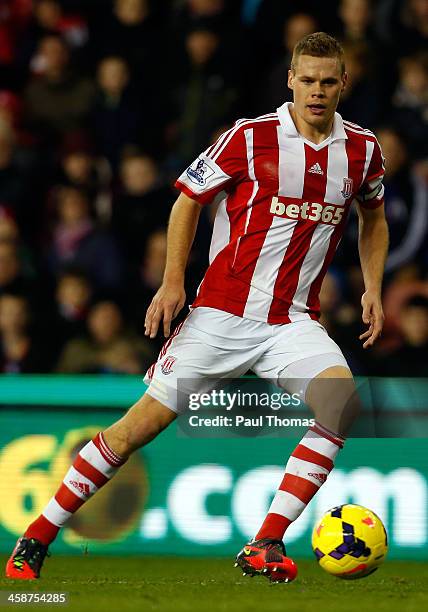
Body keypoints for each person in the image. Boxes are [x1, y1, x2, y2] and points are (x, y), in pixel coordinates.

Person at [5, 32, 389, 583]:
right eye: (307, 79)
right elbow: (188, 200)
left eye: (328, 81)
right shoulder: (250, 137)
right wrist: (171, 282)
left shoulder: (362, 149)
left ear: (343, 84)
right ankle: (36, 538)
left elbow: (373, 219)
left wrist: (372, 285)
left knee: (342, 408)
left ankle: (265, 543)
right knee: (135, 431)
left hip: (293, 322)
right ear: (290, 79)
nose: (317, 91)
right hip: (220, 316)